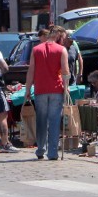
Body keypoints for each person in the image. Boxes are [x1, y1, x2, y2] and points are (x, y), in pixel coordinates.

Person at [24, 25, 70, 161]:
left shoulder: (36, 49)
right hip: (56, 89)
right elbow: (65, 71)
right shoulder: (61, 50)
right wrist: (66, 87)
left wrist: (27, 89)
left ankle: (40, 149)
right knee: (54, 120)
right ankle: (53, 152)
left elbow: (31, 70)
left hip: (40, 89)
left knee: (41, 120)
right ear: (59, 36)